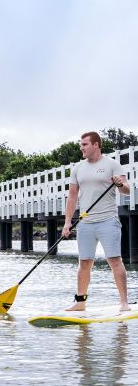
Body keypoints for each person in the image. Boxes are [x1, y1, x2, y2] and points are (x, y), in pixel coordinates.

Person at [62, 131, 130, 312]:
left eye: (84, 144)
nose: (81, 148)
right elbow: (72, 196)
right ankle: (80, 302)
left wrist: (119, 184)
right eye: (81, 144)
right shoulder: (78, 168)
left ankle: (124, 303)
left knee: (115, 260)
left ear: (96, 145)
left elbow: (127, 190)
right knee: (84, 263)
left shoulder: (112, 165)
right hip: (85, 222)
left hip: (108, 220)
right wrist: (67, 222)